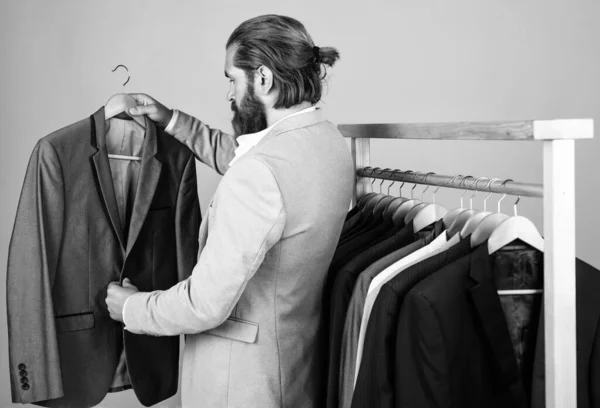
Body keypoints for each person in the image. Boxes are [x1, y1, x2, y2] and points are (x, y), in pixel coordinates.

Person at [105, 14, 354, 408]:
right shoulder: (328, 142)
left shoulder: (262, 173)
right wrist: (173, 121)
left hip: (239, 384)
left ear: (264, 79)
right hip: (292, 367)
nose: (230, 95)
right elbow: (254, 165)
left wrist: (131, 309)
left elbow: (204, 304)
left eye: (232, 80)